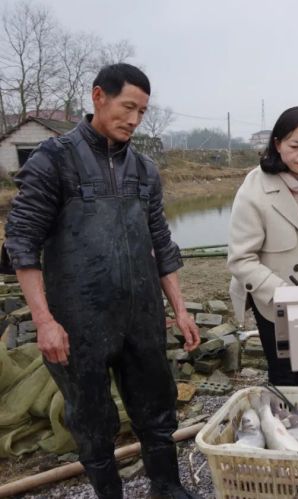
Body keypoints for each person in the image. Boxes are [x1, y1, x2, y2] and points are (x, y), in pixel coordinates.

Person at [4, 63, 201, 499]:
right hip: (77, 321)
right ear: (99, 97)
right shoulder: (54, 160)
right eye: (128, 106)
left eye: (142, 112)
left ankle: (167, 487)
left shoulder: (145, 171)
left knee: (157, 408)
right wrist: (44, 321)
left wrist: (181, 311)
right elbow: (21, 243)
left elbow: (162, 244)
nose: (134, 119)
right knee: (92, 419)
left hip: (141, 315)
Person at [227, 106, 298, 386]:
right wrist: (283, 294)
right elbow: (241, 260)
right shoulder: (254, 190)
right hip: (272, 298)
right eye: (295, 145)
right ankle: (283, 424)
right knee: (284, 372)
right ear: (278, 144)